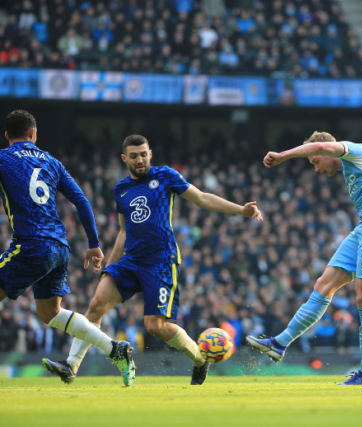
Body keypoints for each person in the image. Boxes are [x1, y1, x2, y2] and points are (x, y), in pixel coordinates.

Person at [43, 135, 263, 386]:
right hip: (130, 261)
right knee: (95, 305)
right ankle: (71, 365)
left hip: (160, 262)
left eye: (143, 154)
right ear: (124, 158)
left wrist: (240, 209)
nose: (140, 159)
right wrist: (110, 265)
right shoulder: (121, 189)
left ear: (150, 154)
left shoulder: (166, 176)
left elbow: (201, 197)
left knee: (155, 326)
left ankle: (201, 361)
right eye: (134, 155)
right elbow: (123, 231)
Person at [246, 131, 362, 385]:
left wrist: (282, 155)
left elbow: (324, 146)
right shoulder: (351, 168)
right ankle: (279, 343)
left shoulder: (355, 150)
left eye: (315, 161)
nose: (315, 169)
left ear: (326, 151)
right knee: (324, 284)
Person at [0, 110, 135, 386]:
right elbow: (82, 201)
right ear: (33, 134)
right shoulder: (52, 162)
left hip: (31, 244)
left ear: (6, 136)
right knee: (49, 314)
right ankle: (115, 349)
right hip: (59, 248)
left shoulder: (3, 159)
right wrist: (94, 244)